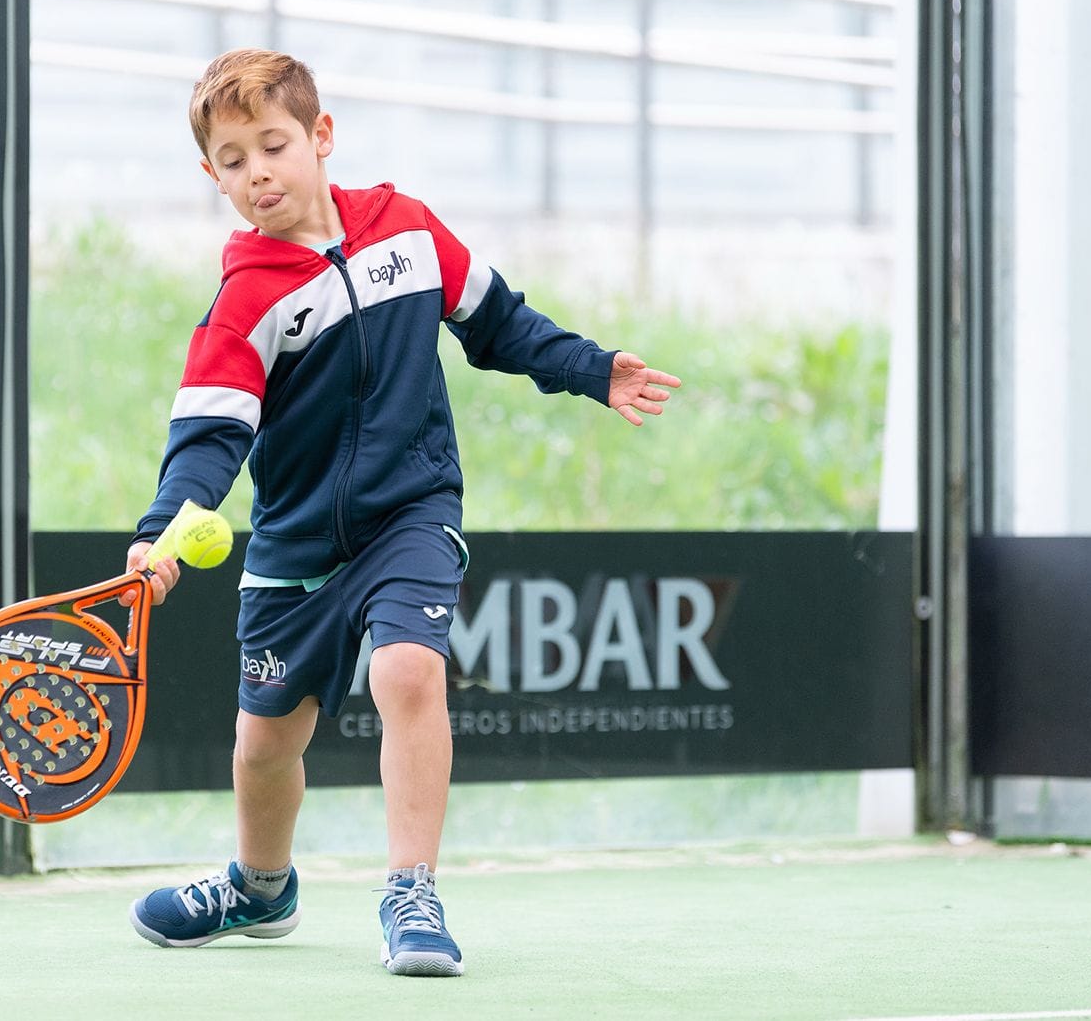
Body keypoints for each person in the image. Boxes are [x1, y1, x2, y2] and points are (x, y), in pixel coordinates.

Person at [122, 48, 680, 978]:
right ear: (212, 176)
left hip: (412, 510)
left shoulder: (407, 229)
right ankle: (260, 890)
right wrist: (165, 528)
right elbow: (210, 433)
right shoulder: (244, 300)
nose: (258, 171)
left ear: (321, 137)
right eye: (232, 159)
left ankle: (411, 891)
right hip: (296, 547)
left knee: (411, 672)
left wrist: (591, 369)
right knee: (264, 747)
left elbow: (496, 321)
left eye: (273, 145)